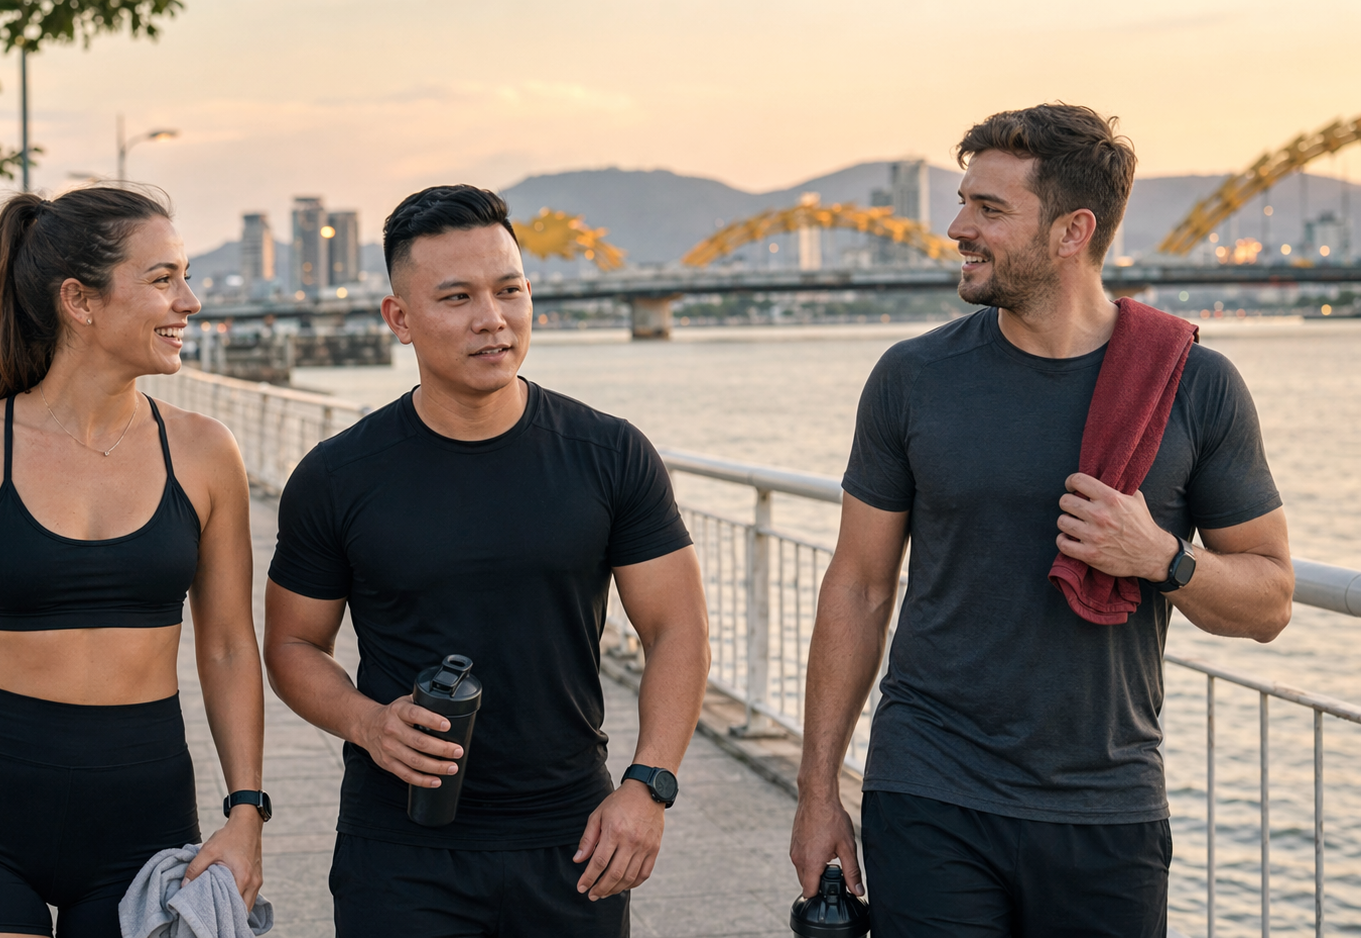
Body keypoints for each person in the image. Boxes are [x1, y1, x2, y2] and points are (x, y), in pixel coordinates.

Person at [789, 104, 1295, 936]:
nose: (957, 228)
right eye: (962, 203)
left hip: (1106, 805)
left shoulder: (1195, 386)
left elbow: (1270, 600)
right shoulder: (910, 379)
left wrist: (1163, 557)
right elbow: (858, 587)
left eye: (988, 210)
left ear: (1071, 231)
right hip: (928, 787)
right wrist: (818, 796)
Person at [263, 184, 711, 938]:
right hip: (399, 843)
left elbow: (678, 630)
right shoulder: (339, 475)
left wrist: (648, 785)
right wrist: (368, 723)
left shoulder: (608, 454)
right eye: (457, 297)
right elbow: (290, 643)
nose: (491, 319)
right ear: (398, 319)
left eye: (510, 290)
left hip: (573, 839)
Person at [0, 187, 270, 938]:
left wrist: (247, 812)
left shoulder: (204, 452)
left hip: (144, 821)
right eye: (162, 279)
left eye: (184, 276)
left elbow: (227, 645)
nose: (188, 301)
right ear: (80, 302)